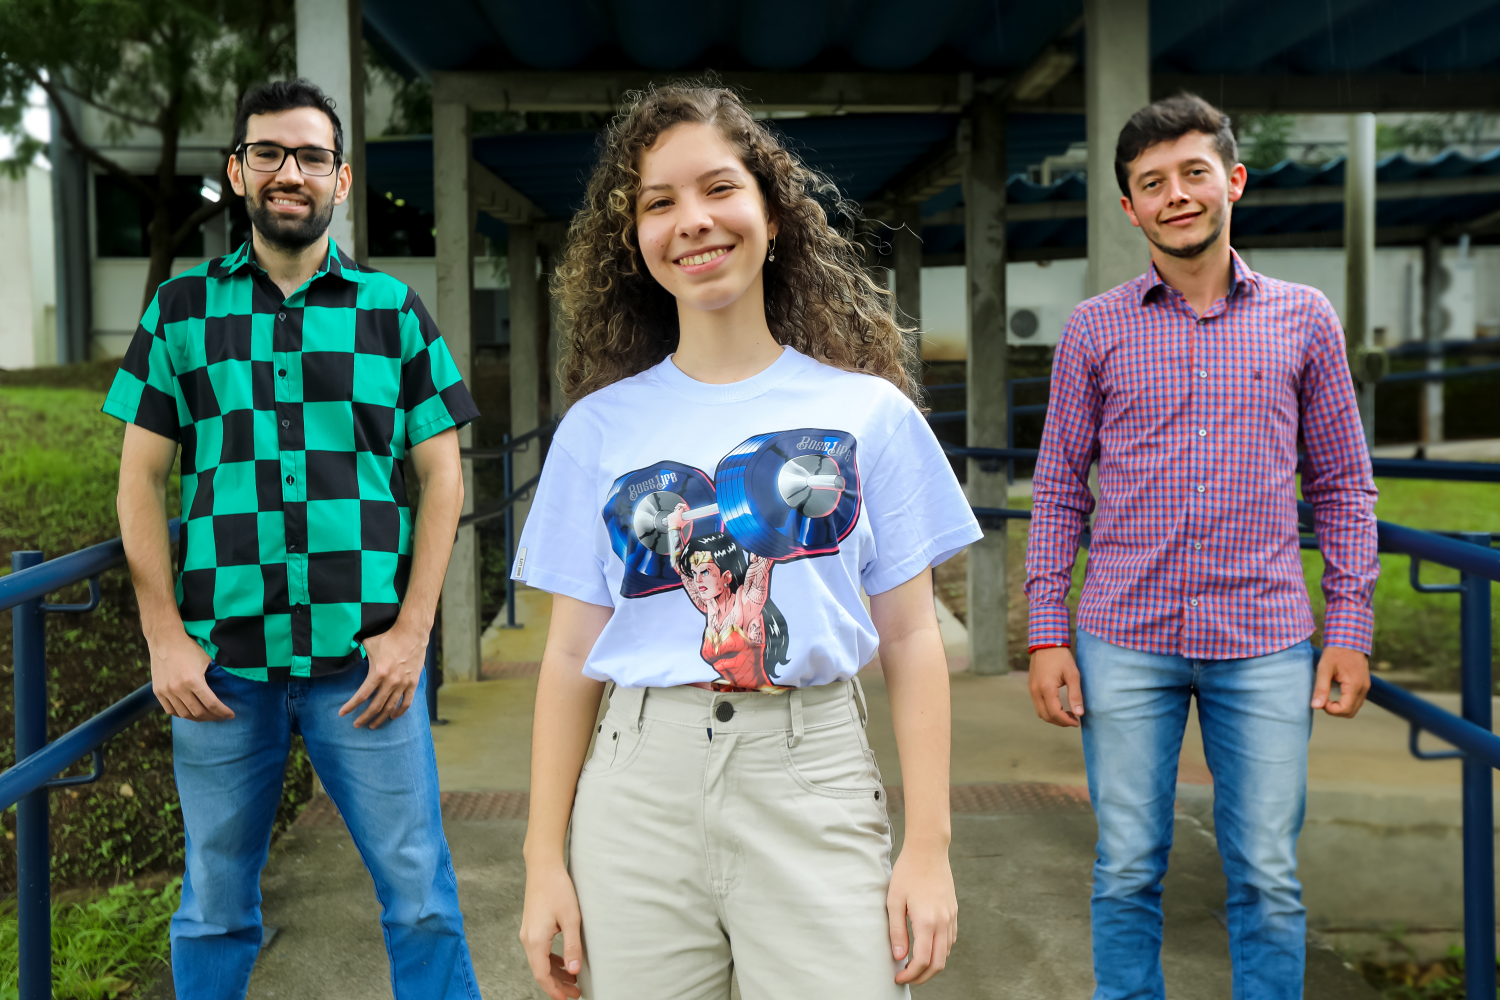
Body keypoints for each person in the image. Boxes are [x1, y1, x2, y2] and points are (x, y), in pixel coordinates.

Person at [513, 82, 982, 1000]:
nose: (693, 221)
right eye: (659, 202)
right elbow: (569, 653)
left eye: (719, 188)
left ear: (771, 212)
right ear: (634, 240)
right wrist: (542, 861)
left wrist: (928, 848)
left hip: (814, 777)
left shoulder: (867, 413)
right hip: (636, 792)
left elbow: (914, 637)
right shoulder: (598, 428)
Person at [107, 78, 481, 1000]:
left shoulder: (392, 311)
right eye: (268, 153)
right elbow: (138, 478)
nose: (290, 172)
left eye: (311, 156)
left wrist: (413, 633)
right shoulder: (179, 311)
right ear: (237, 172)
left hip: (366, 667)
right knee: (214, 905)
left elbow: (444, 477)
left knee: (422, 897)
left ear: (341, 179)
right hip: (219, 672)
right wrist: (162, 637)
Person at [1024, 93, 1380, 1000]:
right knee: (1126, 863)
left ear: (1234, 181)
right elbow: (1061, 487)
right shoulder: (1094, 329)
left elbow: (1341, 484)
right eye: (1153, 183)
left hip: (1264, 640)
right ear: (1128, 208)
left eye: (1193, 173)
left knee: (1265, 871)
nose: (1176, 195)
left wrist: (1350, 625)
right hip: (1123, 637)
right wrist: (1045, 634)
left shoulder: (1304, 319)